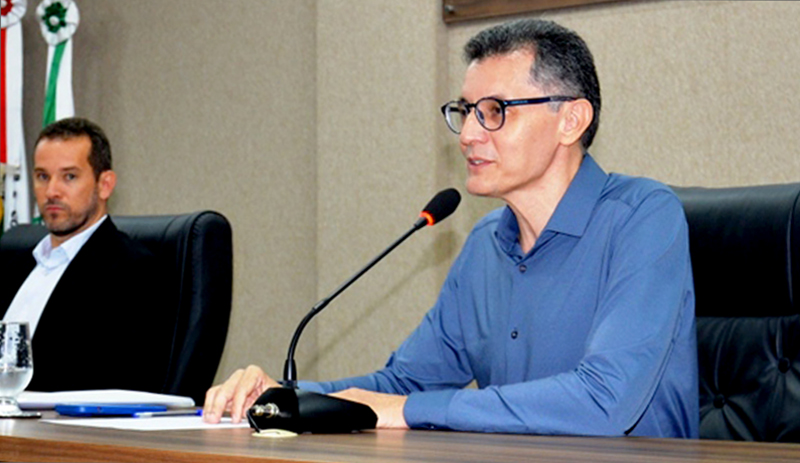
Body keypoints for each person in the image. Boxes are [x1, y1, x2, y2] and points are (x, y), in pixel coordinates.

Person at [204, 19, 698, 438]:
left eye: (494, 112)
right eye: (465, 111)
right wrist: (287, 395)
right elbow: (403, 385)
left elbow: (605, 400)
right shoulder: (486, 244)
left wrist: (407, 411)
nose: (468, 135)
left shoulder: (643, 219)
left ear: (570, 120)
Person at [0, 117, 173, 393]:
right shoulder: (13, 265)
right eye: (42, 176)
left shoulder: (134, 272)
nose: (51, 191)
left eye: (69, 176)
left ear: (105, 184)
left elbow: (114, 384)